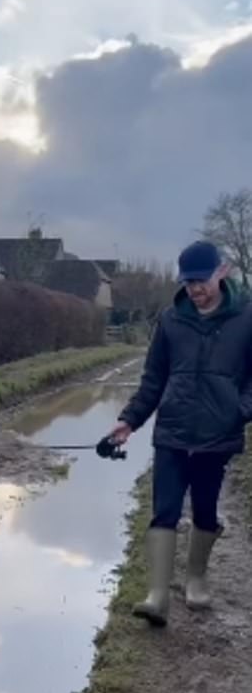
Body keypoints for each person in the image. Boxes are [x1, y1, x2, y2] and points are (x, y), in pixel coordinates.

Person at [110, 240, 252, 627]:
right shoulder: (171, 320)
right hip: (172, 432)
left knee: (204, 507)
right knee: (166, 510)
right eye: (188, 282)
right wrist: (130, 420)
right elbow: (153, 379)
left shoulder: (247, 317)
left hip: (217, 434)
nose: (194, 289)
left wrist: (239, 412)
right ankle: (157, 596)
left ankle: (196, 577)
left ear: (220, 273)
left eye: (200, 281)